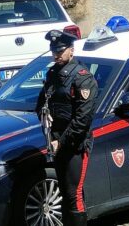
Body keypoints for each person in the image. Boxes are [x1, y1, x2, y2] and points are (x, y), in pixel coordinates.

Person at [35, 29, 97, 226]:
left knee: (74, 194)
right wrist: (45, 117)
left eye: (60, 51)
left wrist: (59, 144)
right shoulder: (53, 74)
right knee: (64, 191)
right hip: (56, 141)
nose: (56, 54)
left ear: (71, 50)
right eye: (54, 51)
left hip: (75, 145)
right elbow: (40, 104)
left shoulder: (82, 78)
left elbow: (82, 121)